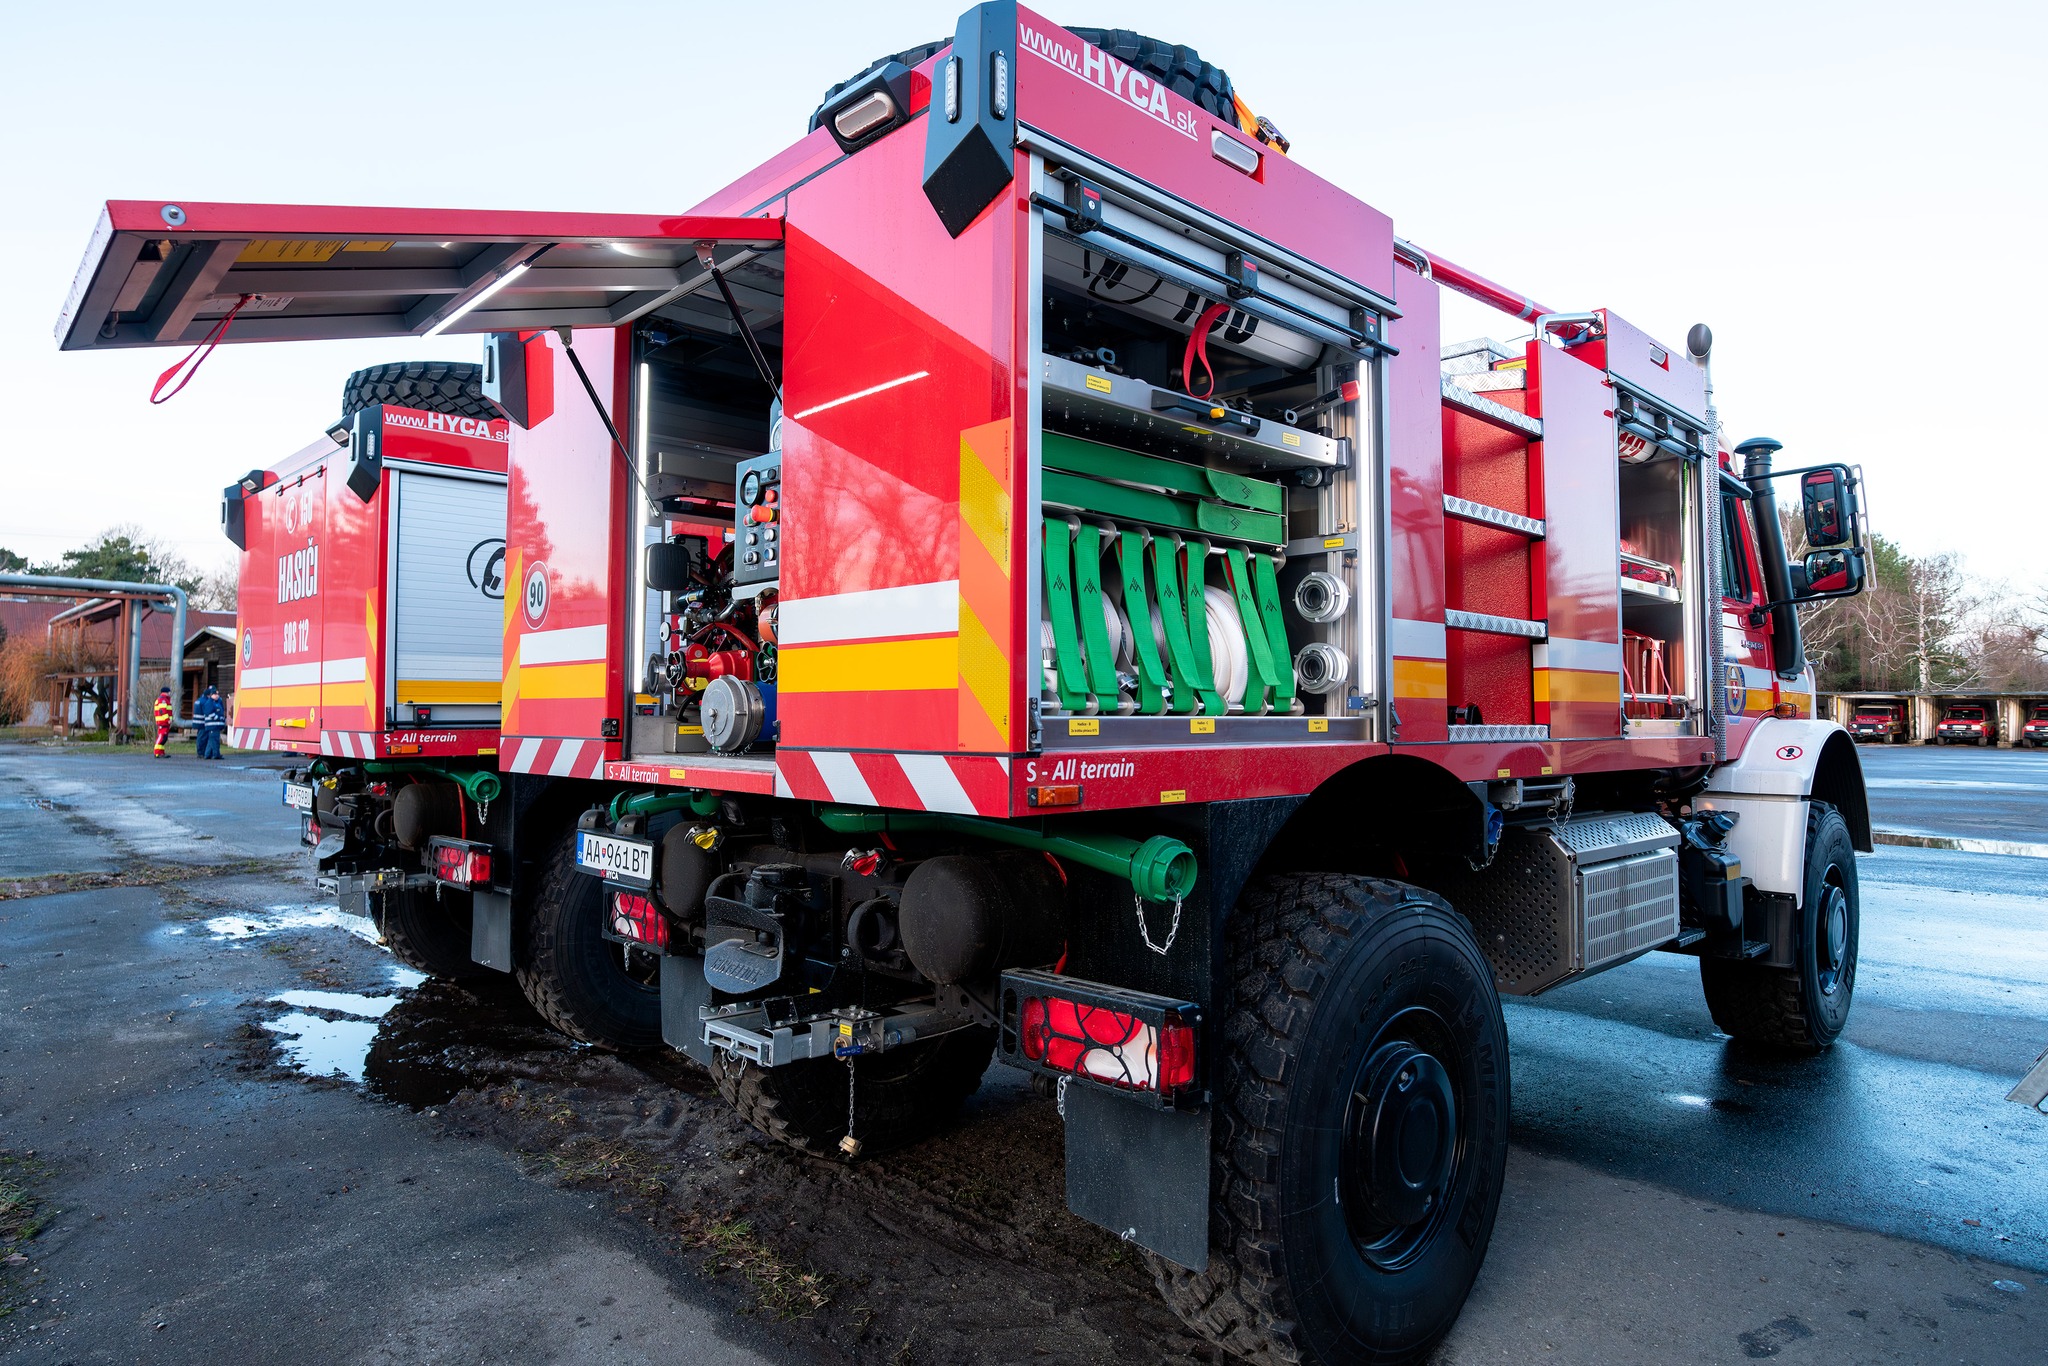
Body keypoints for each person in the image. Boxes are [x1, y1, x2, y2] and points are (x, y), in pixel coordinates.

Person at [195, 685, 226, 760]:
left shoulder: (215, 702)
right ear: (211, 695)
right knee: (214, 740)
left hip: (214, 725)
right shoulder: (209, 702)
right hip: (212, 725)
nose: (217, 695)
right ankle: (215, 754)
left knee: (211, 740)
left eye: (218, 694)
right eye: (215, 694)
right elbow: (209, 713)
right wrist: (219, 718)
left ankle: (207, 754)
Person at [152, 687, 174, 758]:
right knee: (161, 737)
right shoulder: (162, 700)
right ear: (166, 692)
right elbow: (162, 711)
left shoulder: (164, 699)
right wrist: (168, 719)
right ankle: (157, 752)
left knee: (164, 738)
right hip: (163, 722)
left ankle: (161, 752)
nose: (170, 693)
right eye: (169, 692)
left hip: (165, 722)